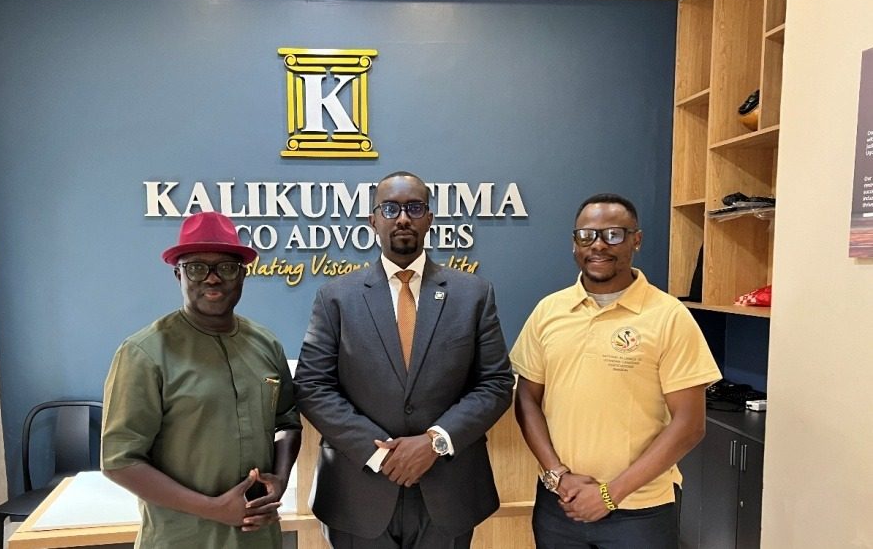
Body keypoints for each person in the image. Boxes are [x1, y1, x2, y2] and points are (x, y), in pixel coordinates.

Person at [294, 171, 515, 548]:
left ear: (429, 218)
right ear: (373, 219)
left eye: (414, 208)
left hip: (448, 490)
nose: (402, 218)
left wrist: (434, 441)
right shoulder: (335, 298)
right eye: (391, 208)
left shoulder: (473, 294)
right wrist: (379, 454)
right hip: (357, 491)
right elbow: (313, 386)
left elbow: (495, 384)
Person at [510, 193, 721, 549]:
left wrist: (608, 495)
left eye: (613, 235)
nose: (598, 246)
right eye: (587, 235)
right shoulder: (549, 311)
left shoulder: (669, 316)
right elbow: (527, 399)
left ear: (636, 240)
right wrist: (557, 476)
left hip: (640, 511)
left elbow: (689, 424)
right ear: (574, 243)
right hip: (560, 505)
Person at [101, 211, 302, 548]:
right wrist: (213, 508)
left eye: (225, 267)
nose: (212, 279)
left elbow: (287, 422)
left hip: (259, 536)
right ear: (178, 274)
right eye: (196, 268)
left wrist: (280, 479)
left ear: (242, 275)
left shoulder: (266, 344)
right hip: (182, 537)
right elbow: (120, 460)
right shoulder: (144, 353)